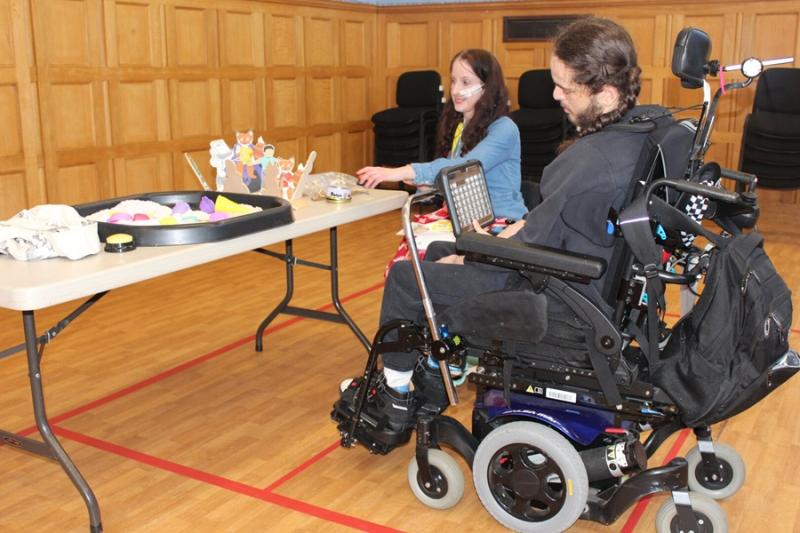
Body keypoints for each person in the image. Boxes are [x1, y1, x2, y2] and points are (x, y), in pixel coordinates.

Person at [339, 17, 647, 433]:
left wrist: (476, 259)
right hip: (568, 275)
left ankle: (394, 397)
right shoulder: (631, 138)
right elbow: (545, 224)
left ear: (605, 93)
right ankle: (431, 373)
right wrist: (475, 250)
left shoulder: (590, 158)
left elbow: (531, 244)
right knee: (436, 253)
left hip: (550, 295)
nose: (554, 95)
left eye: (565, 87)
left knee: (403, 276)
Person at [357, 49, 527, 221]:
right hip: (466, 221)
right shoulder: (460, 126)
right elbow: (456, 180)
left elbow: (466, 168)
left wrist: (403, 172)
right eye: (453, 81)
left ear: (486, 88)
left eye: (466, 82)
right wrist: (428, 187)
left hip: (503, 222)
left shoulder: (505, 128)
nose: (455, 90)